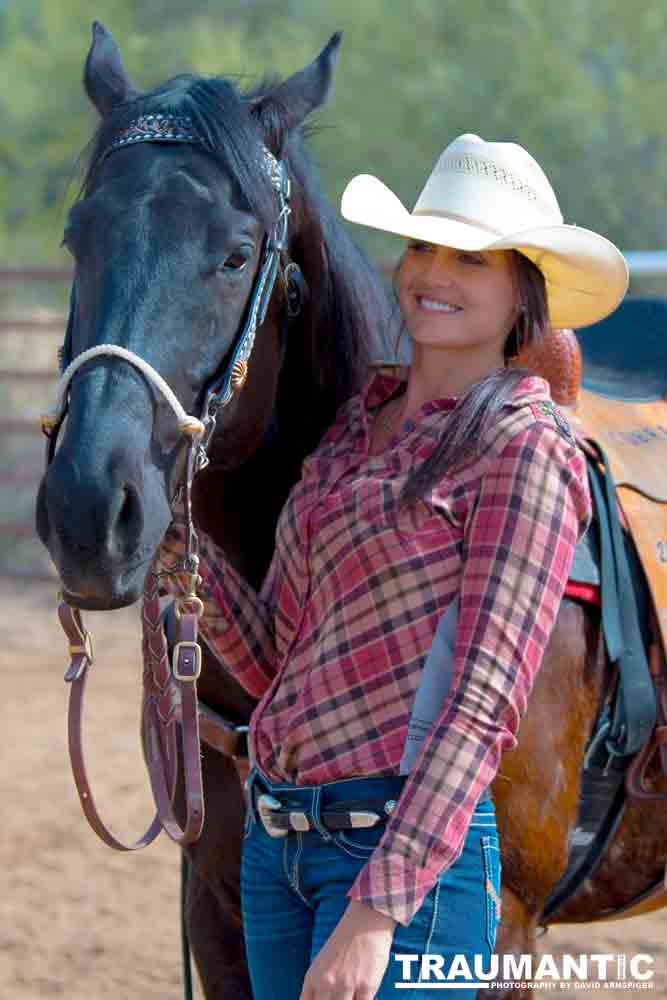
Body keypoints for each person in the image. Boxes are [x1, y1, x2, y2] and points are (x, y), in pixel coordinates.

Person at [161, 133, 628, 999]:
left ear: (522, 288)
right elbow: (277, 661)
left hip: (403, 865)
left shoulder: (523, 448)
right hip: (277, 847)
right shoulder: (351, 430)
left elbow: (483, 705)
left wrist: (376, 914)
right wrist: (176, 545)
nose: (431, 274)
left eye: (470, 259)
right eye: (421, 247)